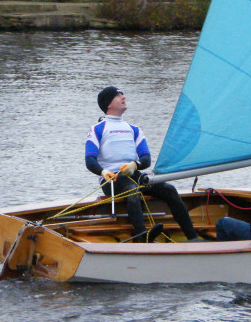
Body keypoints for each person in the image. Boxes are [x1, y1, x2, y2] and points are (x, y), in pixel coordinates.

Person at [85, 86, 200, 242]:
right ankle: (143, 238)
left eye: (123, 94)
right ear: (109, 104)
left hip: (134, 174)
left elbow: (146, 158)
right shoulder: (97, 129)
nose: (123, 97)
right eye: (119, 95)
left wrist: (134, 165)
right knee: (133, 191)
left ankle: (192, 238)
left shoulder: (134, 129)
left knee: (169, 190)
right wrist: (103, 172)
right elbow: (90, 160)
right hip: (113, 180)